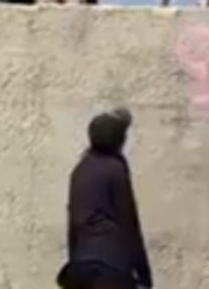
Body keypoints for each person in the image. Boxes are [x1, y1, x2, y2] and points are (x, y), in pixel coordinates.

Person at [58, 109, 152, 289]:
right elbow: (129, 223)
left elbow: (74, 222)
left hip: (82, 265)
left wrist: (74, 262)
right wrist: (143, 273)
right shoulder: (115, 169)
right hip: (111, 265)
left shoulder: (80, 169)